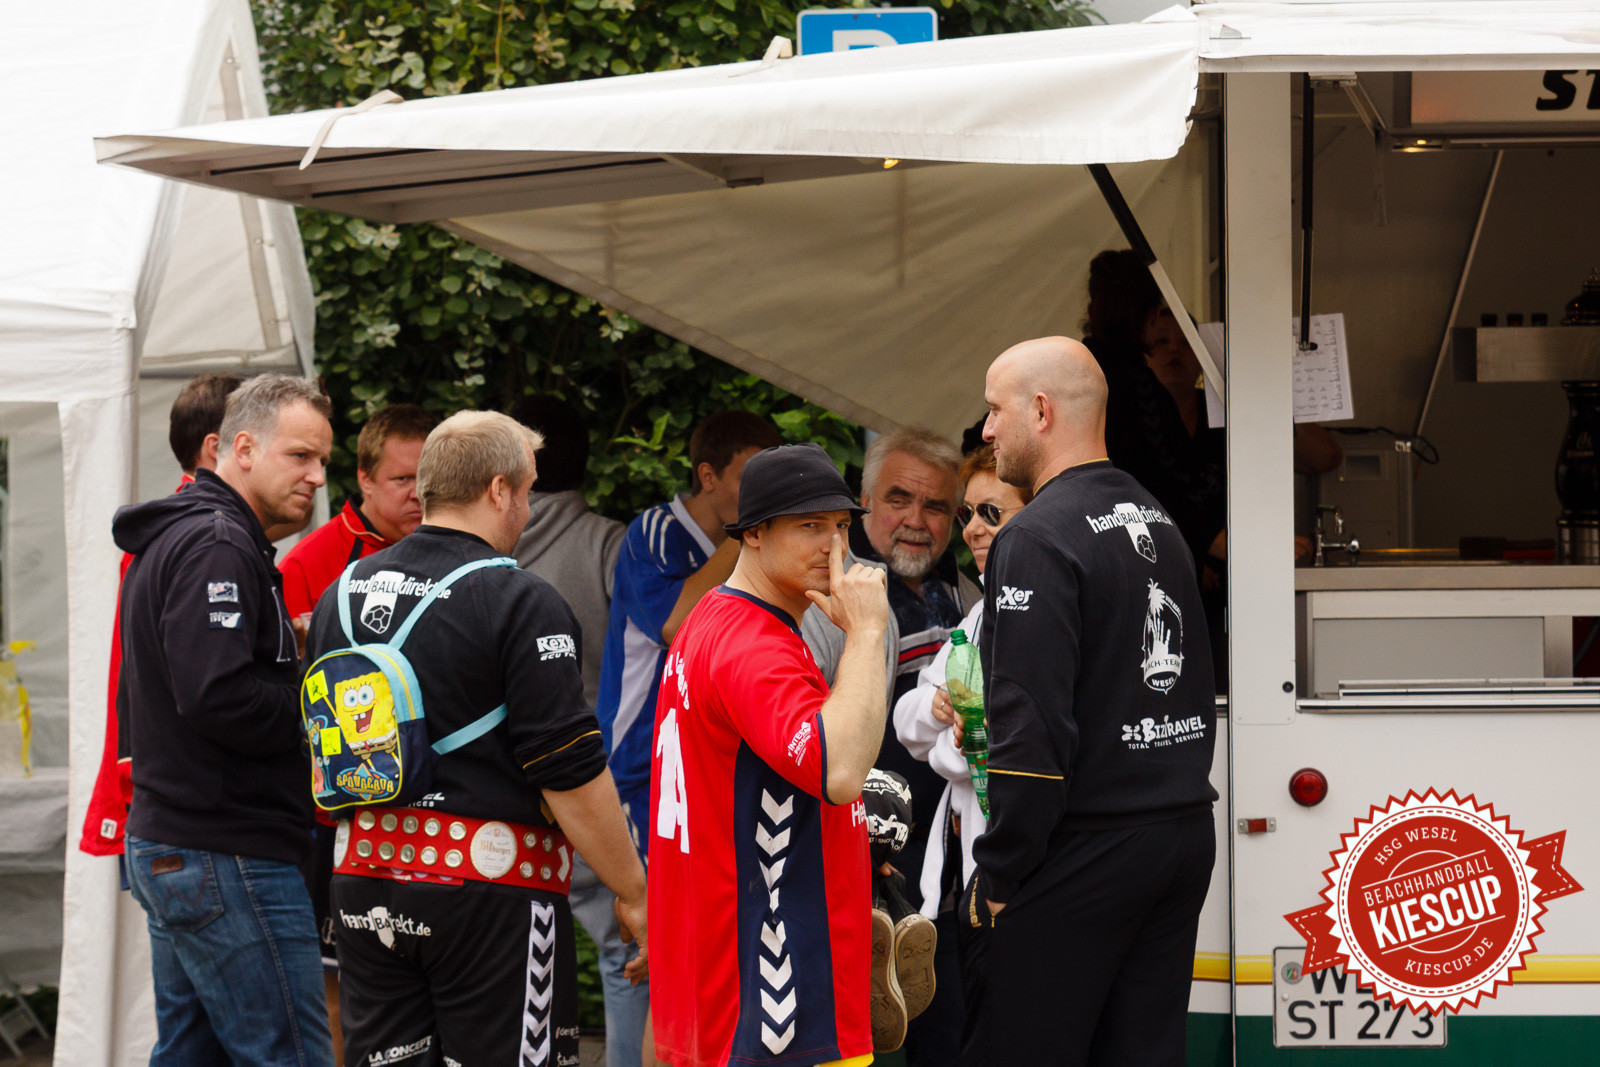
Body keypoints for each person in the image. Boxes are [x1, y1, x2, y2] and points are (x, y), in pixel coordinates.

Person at [305, 411, 648, 1066]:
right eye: (527, 489)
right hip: (489, 896)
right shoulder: (520, 598)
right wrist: (634, 892)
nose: (526, 506)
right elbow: (568, 766)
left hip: (362, 886)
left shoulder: (339, 594)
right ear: (499, 490)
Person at [970, 337, 1218, 1066]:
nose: (986, 431)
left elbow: (1031, 727)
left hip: (1085, 846)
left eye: (994, 410)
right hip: (1178, 834)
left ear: (1040, 411)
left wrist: (1002, 869)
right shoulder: (1158, 519)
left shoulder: (1035, 537)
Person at [113, 374, 335, 1067]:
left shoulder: (201, 537)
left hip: (187, 844)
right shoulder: (216, 545)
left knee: (192, 1056)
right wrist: (322, 706)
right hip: (227, 850)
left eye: (322, 460)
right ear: (240, 447)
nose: (317, 477)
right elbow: (217, 694)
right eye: (300, 456)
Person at [648, 442, 889, 1067]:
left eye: (840, 527)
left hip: (725, 988)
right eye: (809, 526)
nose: (833, 549)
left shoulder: (716, 619)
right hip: (775, 1002)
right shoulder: (753, 645)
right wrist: (864, 635)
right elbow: (837, 770)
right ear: (753, 533)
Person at [1082, 249, 1342, 688]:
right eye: (1162, 339)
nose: (1172, 353)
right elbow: (1159, 493)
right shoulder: (1133, 389)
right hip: (1147, 588)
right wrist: (1226, 547)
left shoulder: (1085, 370)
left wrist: (1258, 389)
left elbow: (1324, 457)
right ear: (1147, 319)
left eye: (1184, 342)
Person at [509, 394, 644, 1067]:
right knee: (625, 953)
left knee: (504, 967)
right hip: (596, 789)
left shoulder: (473, 556)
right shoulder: (612, 546)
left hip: (500, 801)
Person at [891, 443, 1030, 1061]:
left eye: (991, 514)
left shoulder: (1039, 609)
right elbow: (907, 717)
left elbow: (988, 755)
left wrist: (950, 743)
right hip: (961, 882)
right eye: (970, 512)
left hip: (1016, 885)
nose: (972, 527)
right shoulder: (978, 615)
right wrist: (939, 711)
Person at [852, 427, 976, 1066]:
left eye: (935, 507)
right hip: (861, 879)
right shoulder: (835, 591)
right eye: (899, 499)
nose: (916, 521)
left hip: (949, 881)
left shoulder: (969, 589)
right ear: (864, 498)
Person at [80, 372, 243, 858]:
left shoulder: (177, 527)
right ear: (217, 448)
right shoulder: (200, 536)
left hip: (165, 793)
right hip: (181, 802)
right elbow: (203, 685)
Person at [597, 410, 782, 835]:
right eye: (749, 481)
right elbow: (673, 625)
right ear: (708, 475)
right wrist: (747, 535)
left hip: (707, 768)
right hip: (639, 761)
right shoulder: (656, 531)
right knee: (647, 901)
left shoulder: (751, 548)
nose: (762, 496)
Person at [280, 403, 438, 621]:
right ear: (366, 481)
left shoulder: (461, 552)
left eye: (427, 479)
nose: (418, 494)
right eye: (402, 479)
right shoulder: (305, 566)